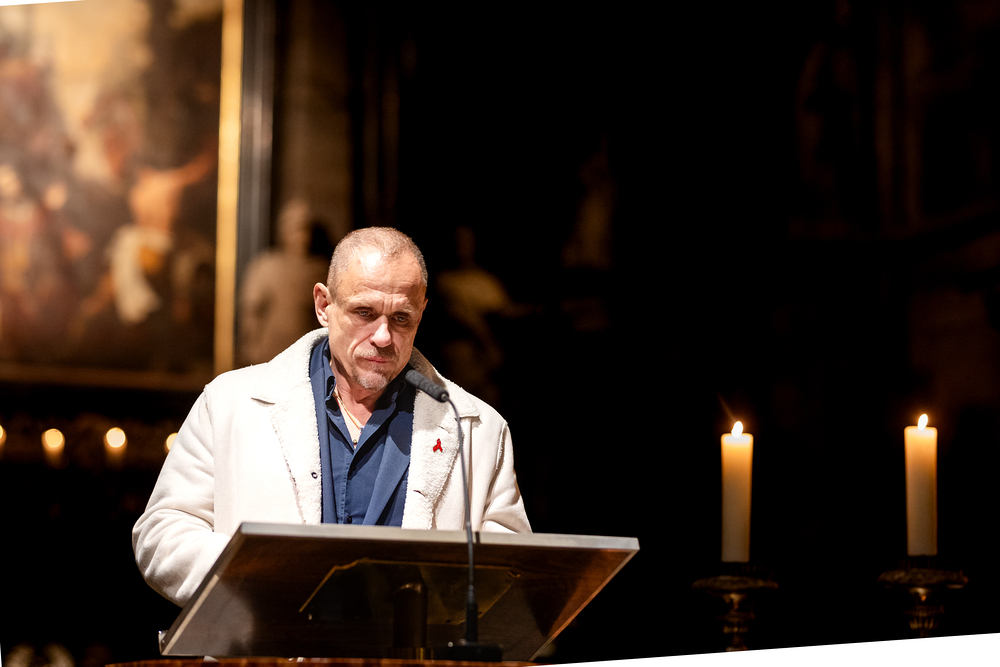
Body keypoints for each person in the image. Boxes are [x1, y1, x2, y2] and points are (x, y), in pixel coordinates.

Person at [132, 227, 531, 607]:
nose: (383, 337)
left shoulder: (478, 428)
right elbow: (163, 534)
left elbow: (511, 572)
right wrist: (262, 584)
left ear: (422, 312)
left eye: (401, 318)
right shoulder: (229, 403)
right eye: (364, 312)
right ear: (324, 305)